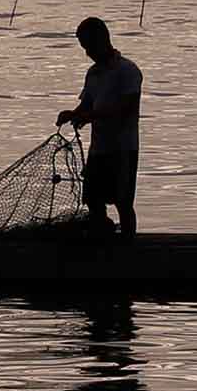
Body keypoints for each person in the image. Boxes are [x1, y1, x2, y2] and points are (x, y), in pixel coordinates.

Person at [57, 16, 142, 235]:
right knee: (93, 200)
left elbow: (127, 109)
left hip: (123, 149)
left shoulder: (128, 71)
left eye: (89, 46)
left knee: (123, 202)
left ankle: (128, 246)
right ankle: (102, 241)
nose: (87, 52)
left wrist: (91, 116)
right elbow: (85, 105)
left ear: (103, 40)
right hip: (98, 150)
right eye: (84, 48)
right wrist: (72, 115)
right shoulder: (93, 74)